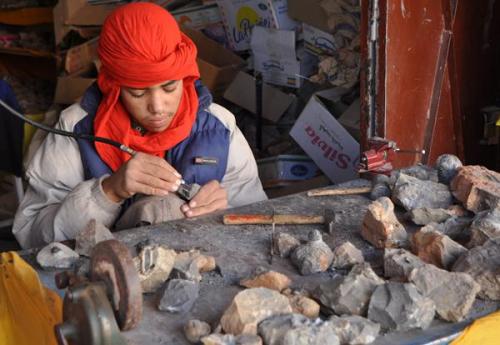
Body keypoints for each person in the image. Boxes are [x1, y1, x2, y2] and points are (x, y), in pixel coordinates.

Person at [12, 2, 267, 249]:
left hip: (205, 268)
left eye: (170, 87)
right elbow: (32, 236)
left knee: (165, 208)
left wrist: (227, 207)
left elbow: (260, 224)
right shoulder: (75, 129)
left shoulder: (218, 126)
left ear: (186, 77)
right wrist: (108, 192)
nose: (157, 106)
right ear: (113, 85)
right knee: (159, 209)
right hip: (106, 279)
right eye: (137, 92)